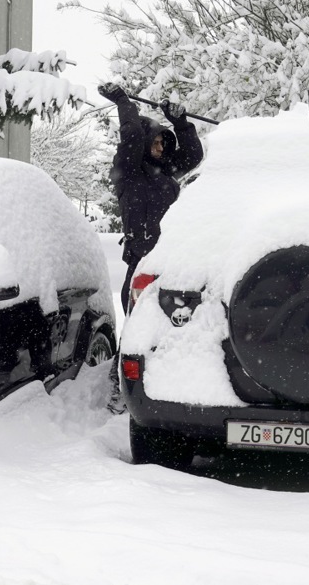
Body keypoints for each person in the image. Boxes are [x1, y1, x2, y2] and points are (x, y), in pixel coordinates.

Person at [98, 82, 204, 414]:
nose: (160, 146)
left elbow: (193, 156)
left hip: (171, 259)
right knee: (135, 326)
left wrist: (181, 123)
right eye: (155, 141)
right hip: (141, 262)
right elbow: (130, 139)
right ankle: (121, 390)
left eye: (162, 142)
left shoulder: (165, 173)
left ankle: (167, 381)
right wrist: (123, 102)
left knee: (172, 324)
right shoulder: (128, 172)